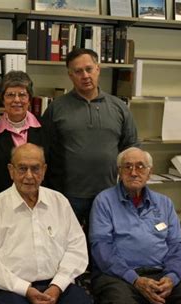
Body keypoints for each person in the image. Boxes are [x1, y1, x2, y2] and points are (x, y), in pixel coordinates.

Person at [0, 143, 99, 304]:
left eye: (35, 168)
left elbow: (76, 249)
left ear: (45, 170)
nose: (29, 176)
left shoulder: (59, 202)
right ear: (11, 170)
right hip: (12, 290)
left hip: (60, 288)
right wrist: (25, 289)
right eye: (22, 168)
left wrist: (56, 287)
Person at [90, 147, 181, 304]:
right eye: (128, 167)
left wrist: (172, 278)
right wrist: (135, 279)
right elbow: (102, 249)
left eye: (140, 166)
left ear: (149, 172)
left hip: (162, 273)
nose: (134, 172)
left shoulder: (164, 203)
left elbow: (176, 246)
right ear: (119, 172)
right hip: (119, 276)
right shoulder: (104, 201)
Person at [42, 48, 139, 230]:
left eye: (89, 69)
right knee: (67, 248)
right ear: (70, 75)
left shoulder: (119, 107)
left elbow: (132, 148)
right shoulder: (56, 109)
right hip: (67, 196)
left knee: (103, 246)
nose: (85, 75)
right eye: (78, 71)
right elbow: (45, 152)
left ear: (98, 69)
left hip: (109, 195)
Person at [0, 70, 50, 202]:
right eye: (10, 95)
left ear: (29, 99)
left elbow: (55, 173)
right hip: (2, 205)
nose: (16, 100)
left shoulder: (48, 130)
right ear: (3, 99)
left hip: (40, 202)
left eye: (22, 95)